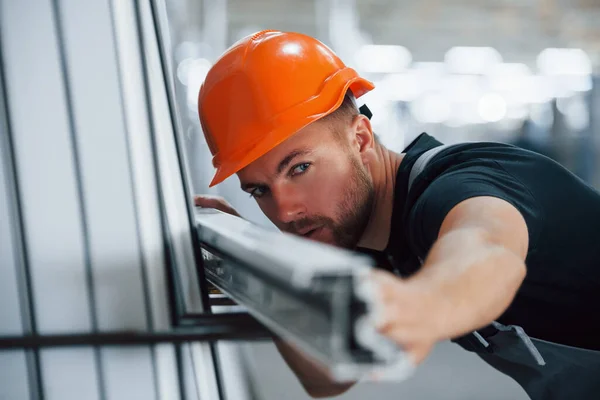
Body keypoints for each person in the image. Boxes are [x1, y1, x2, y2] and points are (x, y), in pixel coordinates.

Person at [194, 30, 600, 399]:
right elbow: (326, 379)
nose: (284, 210)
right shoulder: (370, 239)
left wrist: (423, 304)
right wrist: (257, 267)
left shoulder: (458, 188)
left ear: (360, 139)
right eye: (259, 190)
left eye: (299, 168)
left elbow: (487, 248)